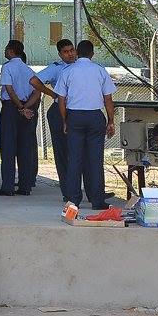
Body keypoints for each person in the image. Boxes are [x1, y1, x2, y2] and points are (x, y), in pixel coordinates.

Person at [57, 40, 116, 210]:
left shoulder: (68, 71)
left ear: (77, 52)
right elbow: (108, 98)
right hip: (95, 116)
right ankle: (97, 200)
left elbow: (61, 99)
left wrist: (65, 120)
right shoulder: (100, 70)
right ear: (92, 54)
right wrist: (111, 120)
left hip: (75, 116)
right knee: (95, 160)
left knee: (74, 159)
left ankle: (73, 200)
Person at [28, 38, 78, 201]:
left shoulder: (81, 66)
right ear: (60, 54)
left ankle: (91, 190)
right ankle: (68, 192)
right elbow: (34, 81)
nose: (70, 54)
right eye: (66, 52)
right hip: (59, 110)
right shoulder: (57, 68)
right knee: (63, 153)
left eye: (72, 50)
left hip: (78, 110)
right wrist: (52, 94)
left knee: (81, 152)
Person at [0, 39, 38, 196]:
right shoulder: (29, 70)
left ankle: (7, 187)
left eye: (6, 49)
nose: (5, 51)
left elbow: (9, 88)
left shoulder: (7, 67)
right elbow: (37, 91)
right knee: (25, 148)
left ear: (11, 51)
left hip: (11, 109)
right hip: (27, 109)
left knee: (8, 148)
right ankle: (25, 186)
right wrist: (26, 107)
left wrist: (20, 107)